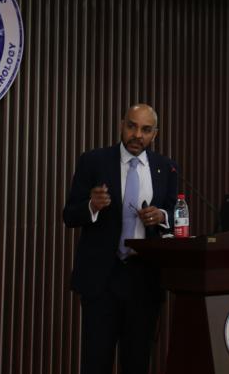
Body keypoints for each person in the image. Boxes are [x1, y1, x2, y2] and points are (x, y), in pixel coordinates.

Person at [63, 103, 178, 374]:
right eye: (132, 126)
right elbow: (69, 214)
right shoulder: (94, 161)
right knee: (96, 362)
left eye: (146, 130)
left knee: (137, 362)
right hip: (102, 279)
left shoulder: (166, 167)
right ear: (121, 125)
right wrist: (92, 205)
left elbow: (173, 212)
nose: (137, 135)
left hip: (144, 279)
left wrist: (161, 216)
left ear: (155, 134)